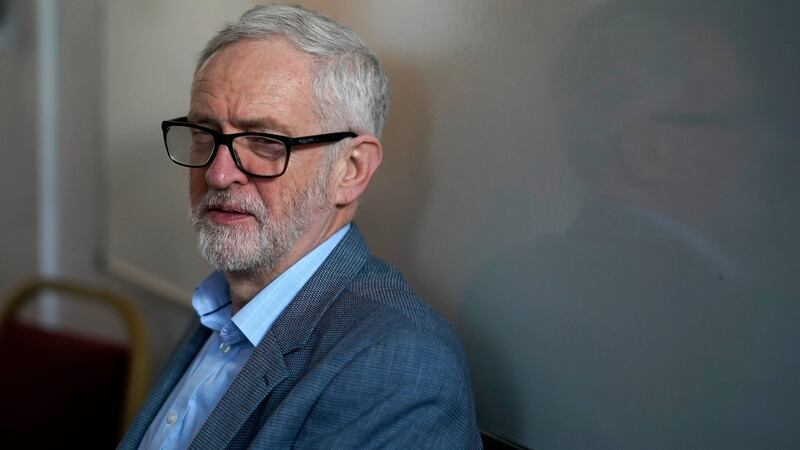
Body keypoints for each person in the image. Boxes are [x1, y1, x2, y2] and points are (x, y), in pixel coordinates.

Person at [118, 5, 480, 449]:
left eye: (266, 142)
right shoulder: (224, 312)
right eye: (204, 132)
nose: (217, 174)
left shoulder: (400, 365)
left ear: (350, 169)